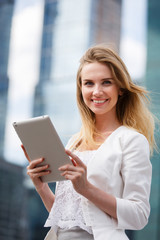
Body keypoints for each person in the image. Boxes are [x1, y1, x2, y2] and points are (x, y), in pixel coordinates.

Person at [22, 44, 155, 240]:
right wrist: (41, 186)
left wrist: (87, 188)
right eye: (89, 83)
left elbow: (139, 215)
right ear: (81, 89)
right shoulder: (74, 142)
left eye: (106, 82)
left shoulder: (132, 141)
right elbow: (66, 218)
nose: (97, 91)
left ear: (120, 89)